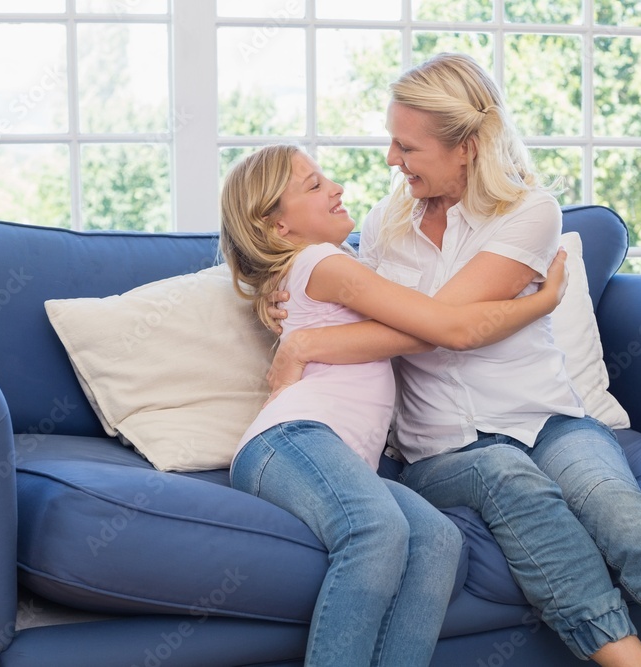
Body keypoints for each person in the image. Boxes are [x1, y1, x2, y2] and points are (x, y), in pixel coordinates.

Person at [265, 53, 641, 666]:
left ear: (469, 146)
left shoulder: (530, 212)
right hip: (441, 448)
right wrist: (294, 322)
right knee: (507, 477)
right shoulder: (382, 226)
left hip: (548, 421)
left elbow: (443, 327)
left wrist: (314, 341)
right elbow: (391, 315)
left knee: (625, 517)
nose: (391, 162)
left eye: (407, 147)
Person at [219, 143, 573, 667]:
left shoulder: (325, 263)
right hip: (291, 439)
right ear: (277, 228)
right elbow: (433, 327)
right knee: (377, 530)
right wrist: (541, 300)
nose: (336, 188)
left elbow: (402, 316)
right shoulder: (323, 261)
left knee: (436, 541)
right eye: (313, 186)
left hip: (325, 448)